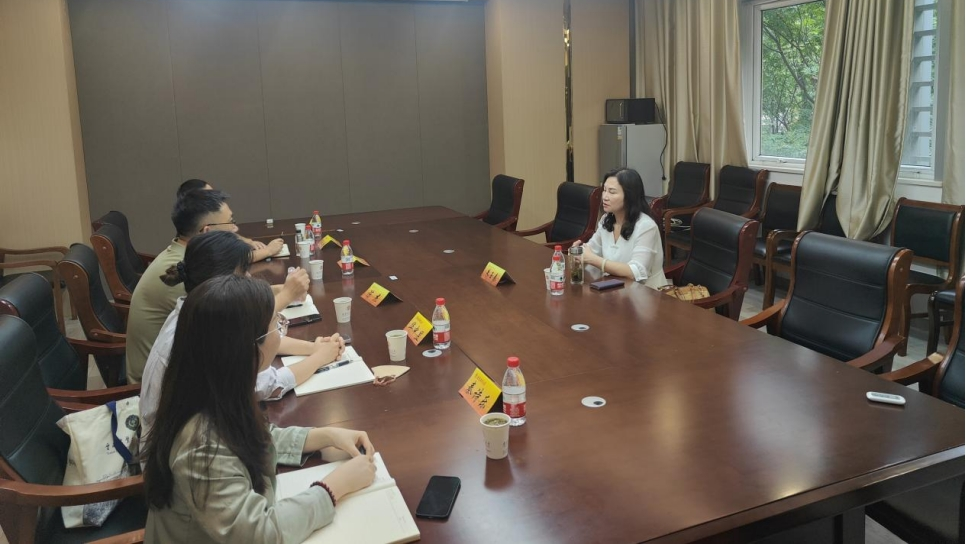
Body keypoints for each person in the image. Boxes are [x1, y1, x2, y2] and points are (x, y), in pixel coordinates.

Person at [143, 275, 375, 543]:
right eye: (276, 324)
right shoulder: (201, 446)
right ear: (246, 347)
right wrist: (333, 488)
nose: (280, 332)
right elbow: (260, 535)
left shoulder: (209, 389)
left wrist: (323, 436)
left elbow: (247, 436)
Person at [139, 231, 345, 447]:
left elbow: (261, 340)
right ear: (223, 282)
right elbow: (267, 384)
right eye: (244, 271)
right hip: (177, 452)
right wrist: (319, 358)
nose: (249, 277)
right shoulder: (204, 335)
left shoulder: (194, 311)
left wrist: (313, 348)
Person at [127, 189, 259, 382]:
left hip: (184, 368)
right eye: (230, 222)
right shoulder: (192, 270)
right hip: (166, 385)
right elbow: (238, 325)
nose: (235, 229)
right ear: (207, 231)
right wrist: (285, 296)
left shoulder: (186, 257)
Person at [572, 168, 668, 289]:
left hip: (647, 293)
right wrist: (579, 253)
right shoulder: (606, 219)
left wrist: (593, 259)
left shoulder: (646, 227)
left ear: (629, 196)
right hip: (615, 289)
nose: (605, 197)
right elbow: (591, 250)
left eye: (612, 192)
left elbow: (636, 272)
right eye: (604, 190)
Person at [177, 179, 284, 263]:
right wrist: (268, 251)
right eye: (208, 196)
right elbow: (232, 260)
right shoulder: (189, 263)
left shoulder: (193, 240)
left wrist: (249, 242)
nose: (215, 199)